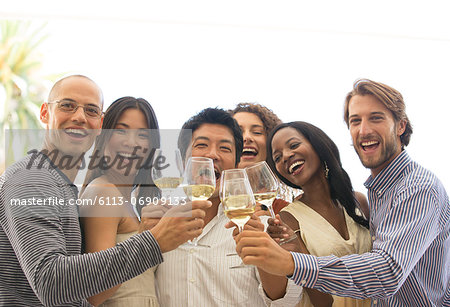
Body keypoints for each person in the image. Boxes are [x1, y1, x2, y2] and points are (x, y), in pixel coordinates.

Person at [235, 79, 449, 306]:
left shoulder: (414, 188)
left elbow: (387, 271)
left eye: (376, 118)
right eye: (355, 121)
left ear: (400, 126)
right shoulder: (378, 192)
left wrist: (292, 262)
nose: (363, 130)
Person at [0, 75, 209, 306]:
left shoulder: (62, 187)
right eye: (67, 105)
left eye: (90, 111)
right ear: (44, 114)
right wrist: (154, 241)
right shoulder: (31, 179)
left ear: (99, 125)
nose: (79, 117)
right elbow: (50, 281)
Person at [155, 108, 301, 306]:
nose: (212, 154)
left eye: (224, 148)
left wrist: (264, 257)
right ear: (182, 162)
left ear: (235, 165)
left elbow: (286, 302)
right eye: (201, 145)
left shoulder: (260, 226)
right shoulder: (158, 225)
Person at [264, 121, 371, 306]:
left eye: (294, 145)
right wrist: (297, 252)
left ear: (318, 145)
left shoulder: (359, 201)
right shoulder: (288, 219)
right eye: (278, 157)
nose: (286, 156)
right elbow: (322, 302)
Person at [80, 96, 161, 306]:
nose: (131, 143)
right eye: (121, 130)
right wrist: (149, 240)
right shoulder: (103, 192)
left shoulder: (128, 200)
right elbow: (96, 290)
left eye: (142, 135)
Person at [229, 102, 300, 214]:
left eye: (257, 132)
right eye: (238, 132)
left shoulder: (286, 212)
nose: (247, 137)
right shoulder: (205, 205)